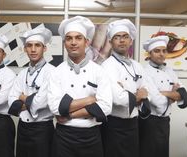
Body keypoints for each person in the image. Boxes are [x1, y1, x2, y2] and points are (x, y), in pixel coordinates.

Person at [47, 16, 112, 157]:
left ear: (87, 42)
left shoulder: (99, 71)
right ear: (65, 43)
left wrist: (69, 114)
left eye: (78, 38)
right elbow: (55, 107)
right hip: (63, 137)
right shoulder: (57, 72)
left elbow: (106, 107)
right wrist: (89, 100)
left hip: (91, 136)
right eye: (69, 38)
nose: (73, 42)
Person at [101, 19, 151, 157]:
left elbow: (147, 92)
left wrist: (132, 92)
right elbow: (118, 98)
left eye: (125, 37)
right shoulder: (107, 66)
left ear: (131, 41)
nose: (121, 40)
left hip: (134, 125)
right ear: (110, 42)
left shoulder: (137, 66)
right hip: (114, 125)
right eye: (117, 37)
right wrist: (138, 94)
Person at [8, 23, 55, 157]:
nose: (33, 49)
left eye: (37, 45)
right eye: (29, 46)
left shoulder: (52, 72)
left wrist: (22, 97)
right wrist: (30, 101)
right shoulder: (22, 74)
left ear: (44, 48)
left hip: (43, 130)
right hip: (23, 129)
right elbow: (11, 100)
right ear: (25, 49)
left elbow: (40, 103)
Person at [139, 35, 187, 157]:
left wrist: (164, 93)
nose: (161, 54)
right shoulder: (144, 71)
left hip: (165, 122)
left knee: (163, 153)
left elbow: (183, 94)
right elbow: (157, 102)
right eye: (157, 51)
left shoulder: (170, 71)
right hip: (149, 122)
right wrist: (173, 95)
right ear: (149, 53)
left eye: (164, 50)